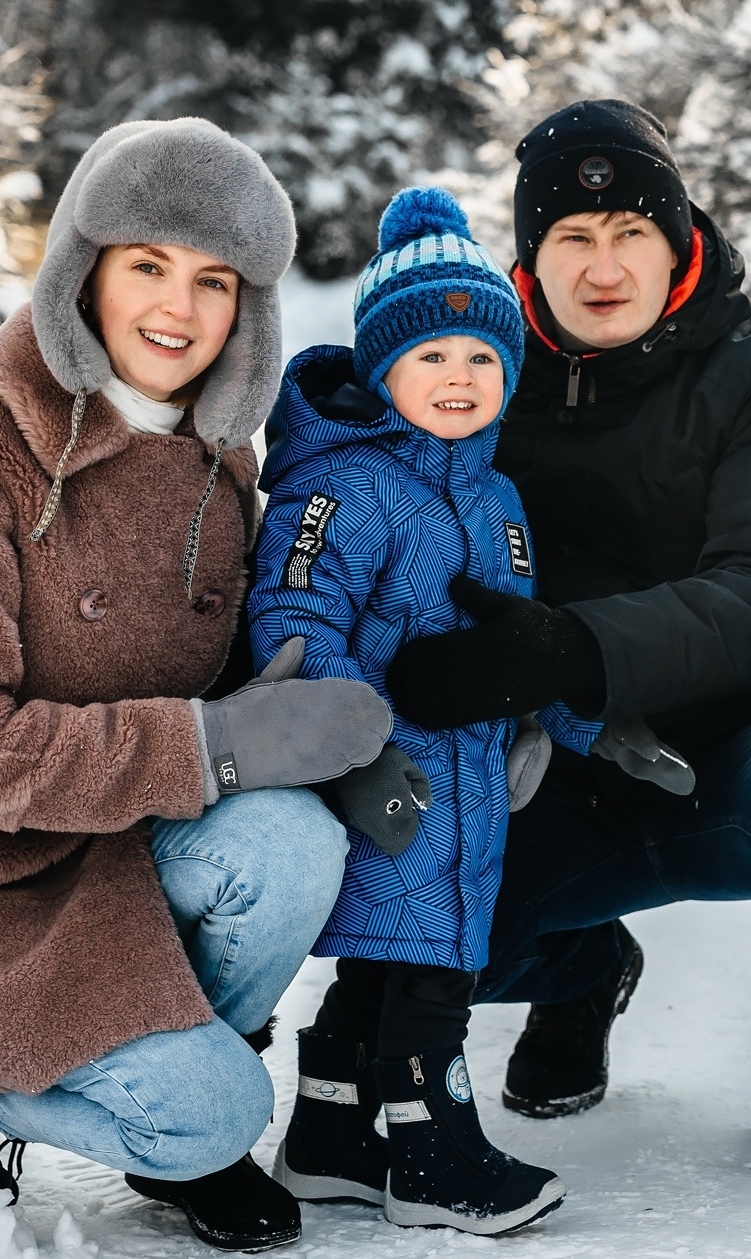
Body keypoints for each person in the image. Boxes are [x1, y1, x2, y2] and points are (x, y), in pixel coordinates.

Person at [0, 118, 397, 1253]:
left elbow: (231, 684)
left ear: (248, 309)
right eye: (147, 266)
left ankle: (173, 1096)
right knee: (225, 1112)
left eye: (215, 280)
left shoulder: (219, 466)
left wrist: (367, 726)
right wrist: (219, 744)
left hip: (94, 847)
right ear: (85, 273)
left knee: (294, 843)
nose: (179, 306)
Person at [381, 99, 751, 1180]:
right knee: (412, 920)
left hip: (731, 755)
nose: (603, 263)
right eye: (572, 237)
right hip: (547, 776)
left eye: (631, 231)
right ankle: (580, 969)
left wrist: (572, 647)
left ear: (678, 240)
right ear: (531, 259)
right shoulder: (476, 379)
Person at [246, 187, 619, 1237]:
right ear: (382, 368)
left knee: (392, 960)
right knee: (426, 971)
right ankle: (430, 1152)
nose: (459, 379)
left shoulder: (497, 499)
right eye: (432, 357)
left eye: (482, 360)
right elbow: (291, 618)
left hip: (474, 782)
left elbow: (521, 634)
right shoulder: (343, 489)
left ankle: (327, 1134)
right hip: (389, 782)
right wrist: (349, 756)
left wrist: (578, 719)